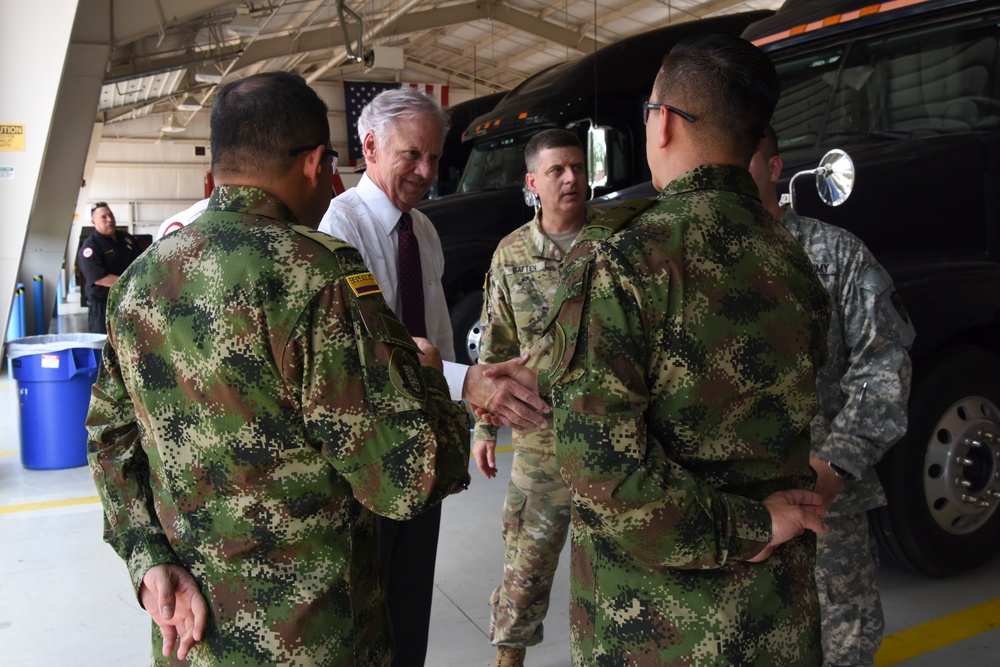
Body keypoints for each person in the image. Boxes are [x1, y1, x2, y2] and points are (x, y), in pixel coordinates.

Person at [86, 71, 534, 667]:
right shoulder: (318, 275)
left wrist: (148, 559)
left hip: (192, 633)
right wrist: (431, 382)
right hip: (313, 633)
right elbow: (404, 481)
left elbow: (110, 438)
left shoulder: (141, 280)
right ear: (317, 162)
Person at [535, 35, 833, 665]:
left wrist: (747, 526)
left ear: (662, 122)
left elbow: (603, 473)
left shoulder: (622, 260)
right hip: (779, 620)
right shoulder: (794, 261)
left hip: (655, 631)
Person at [317, 87, 548, 667]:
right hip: (370, 455)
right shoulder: (340, 230)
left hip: (421, 452)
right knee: (370, 611)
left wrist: (473, 409)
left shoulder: (421, 230)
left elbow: (439, 338)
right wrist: (466, 383)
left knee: (411, 603)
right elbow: (373, 355)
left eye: (434, 159)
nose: (426, 171)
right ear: (369, 146)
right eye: (412, 156)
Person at [750, 124, 914, 667]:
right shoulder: (687, 264)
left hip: (827, 502)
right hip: (733, 509)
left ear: (775, 169)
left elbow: (884, 366)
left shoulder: (837, 255)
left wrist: (834, 464)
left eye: (742, 161)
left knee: (844, 637)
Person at [472, 129, 592, 667]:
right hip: (539, 443)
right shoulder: (512, 254)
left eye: (578, 167)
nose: (571, 178)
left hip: (610, 443)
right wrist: (483, 428)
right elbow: (494, 347)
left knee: (614, 575)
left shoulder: (616, 244)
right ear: (532, 183)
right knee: (524, 573)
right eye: (557, 170)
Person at [77, 202, 141, 333]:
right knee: (105, 347)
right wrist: (134, 284)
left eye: (110, 215)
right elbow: (100, 278)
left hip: (130, 303)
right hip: (104, 307)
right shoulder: (91, 247)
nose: (110, 220)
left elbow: (141, 262)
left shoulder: (127, 239)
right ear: (93, 222)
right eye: (104, 217)